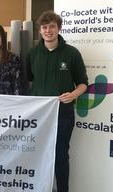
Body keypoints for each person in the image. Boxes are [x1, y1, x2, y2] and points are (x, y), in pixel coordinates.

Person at [26, 10, 88, 192]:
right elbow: (30, 80)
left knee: (60, 155)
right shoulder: (32, 54)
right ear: (40, 31)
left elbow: (84, 83)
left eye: (52, 26)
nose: (48, 31)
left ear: (59, 28)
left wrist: (74, 94)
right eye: (44, 27)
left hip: (63, 114)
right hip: (39, 115)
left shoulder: (72, 53)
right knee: (37, 153)